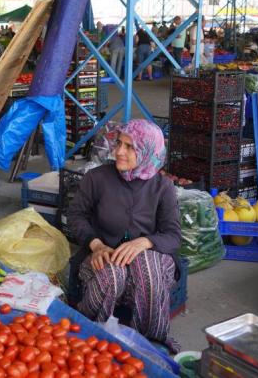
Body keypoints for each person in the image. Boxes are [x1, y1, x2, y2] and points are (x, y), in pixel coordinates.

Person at [67, 119, 181, 352]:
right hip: (102, 256)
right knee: (112, 273)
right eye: (119, 143)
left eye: (130, 147)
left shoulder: (163, 187)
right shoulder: (97, 178)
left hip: (152, 263)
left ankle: (150, 345)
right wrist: (96, 245)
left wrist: (145, 242)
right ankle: (88, 338)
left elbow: (173, 235)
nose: (119, 151)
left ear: (148, 151)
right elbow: (76, 216)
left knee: (146, 265)